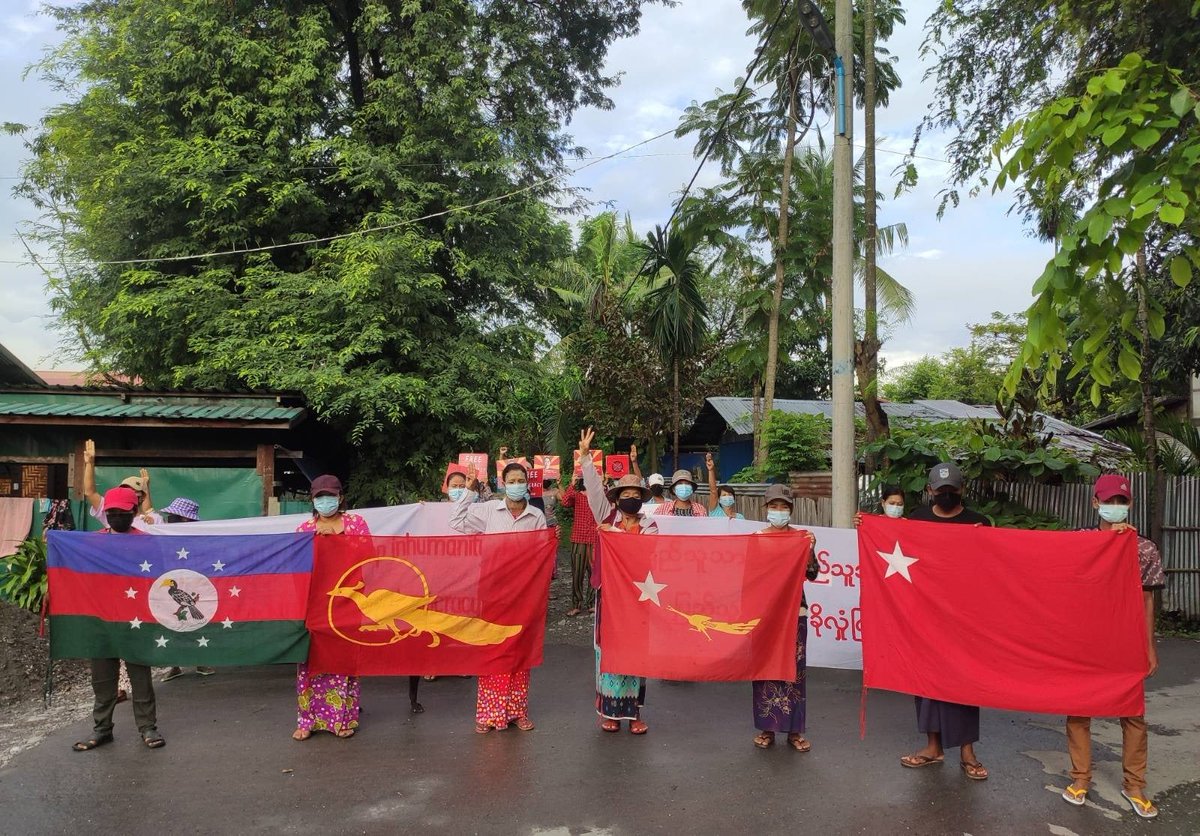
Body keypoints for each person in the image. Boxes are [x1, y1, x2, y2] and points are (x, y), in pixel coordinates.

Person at [1061, 474, 1165, 819]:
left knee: (1133, 713)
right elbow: (1046, 565)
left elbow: (1148, 601)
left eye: (1122, 502)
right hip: (1086, 640)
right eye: (1110, 501)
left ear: (1130, 504)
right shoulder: (1079, 541)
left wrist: (1149, 646)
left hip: (1126, 640)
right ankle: (1080, 778)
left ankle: (1134, 784)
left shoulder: (1143, 547)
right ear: (1095, 503)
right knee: (1078, 708)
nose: (1115, 508)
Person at [899, 461, 991, 781]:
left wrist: (985, 542)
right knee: (925, 682)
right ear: (929, 491)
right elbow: (893, 550)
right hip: (925, 616)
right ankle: (933, 746)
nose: (947, 495)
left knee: (964, 682)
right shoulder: (917, 520)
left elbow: (994, 569)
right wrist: (866, 525)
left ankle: (967, 751)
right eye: (941, 491)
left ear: (962, 489)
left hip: (965, 619)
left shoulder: (979, 523)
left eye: (952, 489)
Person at [450, 461, 547, 734]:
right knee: (492, 646)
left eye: (521, 480)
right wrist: (469, 490)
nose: (517, 484)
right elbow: (456, 521)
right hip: (492, 589)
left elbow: (541, 554)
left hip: (524, 593)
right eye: (512, 480)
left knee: (519, 647)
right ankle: (488, 713)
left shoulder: (535, 516)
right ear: (504, 483)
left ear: (527, 484)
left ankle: (517, 711)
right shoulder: (489, 510)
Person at [72, 486, 165, 751]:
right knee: (102, 679)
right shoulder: (93, 542)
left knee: (140, 676)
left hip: (135, 620)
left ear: (134, 512)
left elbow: (157, 579)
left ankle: (148, 728)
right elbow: (78, 576)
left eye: (121, 513)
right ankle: (102, 729)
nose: (115, 517)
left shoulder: (147, 542)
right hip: (101, 621)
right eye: (111, 512)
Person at [578, 427, 656, 734]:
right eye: (626, 495)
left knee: (637, 653)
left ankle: (635, 714)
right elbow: (594, 489)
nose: (631, 499)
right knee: (608, 651)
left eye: (636, 496)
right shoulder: (606, 519)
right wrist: (585, 457)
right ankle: (609, 712)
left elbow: (652, 560)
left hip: (639, 599)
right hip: (609, 597)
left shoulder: (651, 528)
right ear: (617, 499)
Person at [293, 475, 369, 741]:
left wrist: (337, 541)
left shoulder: (355, 524)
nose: (325, 501)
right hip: (315, 603)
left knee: (345, 660)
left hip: (348, 603)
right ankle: (307, 720)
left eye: (330, 496)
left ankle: (344, 719)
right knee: (311, 662)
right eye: (319, 497)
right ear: (313, 500)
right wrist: (316, 540)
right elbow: (296, 566)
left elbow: (369, 555)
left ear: (340, 497)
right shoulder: (304, 528)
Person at [750, 484, 818, 751]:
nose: (779, 511)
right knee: (765, 669)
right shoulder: (756, 539)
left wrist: (810, 549)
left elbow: (811, 574)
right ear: (766, 509)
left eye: (784, 507)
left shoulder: (802, 538)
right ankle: (767, 729)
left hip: (794, 612)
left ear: (791, 510)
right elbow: (748, 577)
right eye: (774, 507)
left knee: (794, 671)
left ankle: (794, 731)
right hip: (765, 615)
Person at [160, 497, 216, 682]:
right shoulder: (165, 535)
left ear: (184, 519)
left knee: (197, 622)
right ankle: (174, 665)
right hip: (173, 581)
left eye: (172, 516)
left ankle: (201, 661)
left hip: (194, 583)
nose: (169, 519)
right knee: (172, 622)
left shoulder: (198, 537)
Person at [81, 439, 162, 530]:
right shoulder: (112, 510)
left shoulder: (153, 519)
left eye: (134, 491)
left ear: (142, 496)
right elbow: (90, 492)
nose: (128, 493)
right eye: (125, 490)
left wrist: (153, 527)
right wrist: (89, 463)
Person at [560, 473, 598, 617]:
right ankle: (576, 604)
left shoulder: (598, 497)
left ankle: (592, 603)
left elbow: (609, 504)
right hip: (579, 538)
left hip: (594, 539)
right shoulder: (577, 495)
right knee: (577, 573)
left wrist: (604, 482)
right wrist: (572, 482)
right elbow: (564, 502)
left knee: (594, 573)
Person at [706, 453, 744, 519]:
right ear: (719, 499)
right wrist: (711, 470)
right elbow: (713, 491)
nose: (727, 497)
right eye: (724, 495)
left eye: (729, 494)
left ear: (734, 499)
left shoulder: (740, 517)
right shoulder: (715, 512)